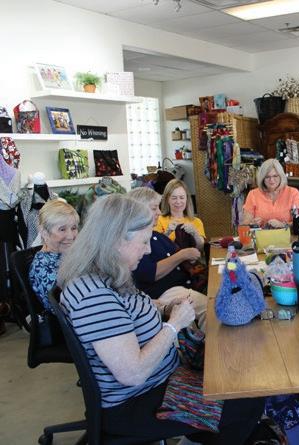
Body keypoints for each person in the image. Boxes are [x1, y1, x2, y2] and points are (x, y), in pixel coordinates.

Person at [57, 194, 264, 444]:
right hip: (137, 402)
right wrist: (173, 325)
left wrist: (165, 307)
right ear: (117, 239)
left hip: (160, 380)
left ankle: (206, 432)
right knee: (246, 398)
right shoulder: (93, 296)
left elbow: (129, 311)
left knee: (234, 370)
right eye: (144, 242)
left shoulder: (108, 273)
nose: (147, 250)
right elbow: (133, 373)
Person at [128, 187, 208, 330]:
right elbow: (149, 273)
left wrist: (188, 256)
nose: (159, 212)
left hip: (184, 285)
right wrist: (182, 255)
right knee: (210, 308)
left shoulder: (157, 236)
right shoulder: (136, 240)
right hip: (165, 292)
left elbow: (186, 256)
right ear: (139, 210)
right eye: (154, 208)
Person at [29, 200, 79, 312]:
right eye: (62, 229)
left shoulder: (66, 253)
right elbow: (65, 310)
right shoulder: (43, 268)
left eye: (74, 228)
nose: (71, 236)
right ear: (44, 232)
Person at [241, 159, 299, 228]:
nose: (271, 180)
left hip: (288, 234)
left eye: (275, 176)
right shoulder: (253, 194)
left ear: (281, 176)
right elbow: (245, 225)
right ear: (262, 179)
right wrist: (252, 224)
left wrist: (282, 225)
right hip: (261, 234)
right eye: (267, 177)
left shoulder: (293, 193)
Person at [154, 179, 205, 250]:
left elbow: (200, 247)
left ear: (187, 199)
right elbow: (156, 247)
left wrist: (195, 233)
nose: (178, 202)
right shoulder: (158, 220)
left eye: (182, 197)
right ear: (167, 199)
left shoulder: (196, 221)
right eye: (174, 198)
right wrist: (167, 233)